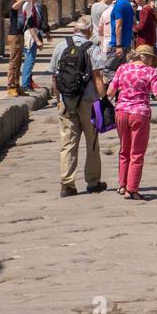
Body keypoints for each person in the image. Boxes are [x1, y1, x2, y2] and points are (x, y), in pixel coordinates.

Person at [49, 18, 109, 198]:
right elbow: (98, 78)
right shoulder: (92, 48)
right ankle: (92, 182)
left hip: (67, 101)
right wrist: (104, 100)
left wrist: (58, 99)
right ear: (89, 31)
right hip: (89, 101)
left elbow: (54, 76)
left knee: (68, 143)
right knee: (91, 142)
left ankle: (67, 184)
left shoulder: (61, 47)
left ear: (74, 29)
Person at [108, 44, 157, 201]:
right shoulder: (150, 72)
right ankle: (132, 189)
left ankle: (122, 185)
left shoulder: (122, 68)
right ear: (148, 58)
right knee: (136, 153)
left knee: (124, 150)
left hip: (121, 112)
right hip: (140, 114)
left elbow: (110, 92)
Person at [19, 0, 50, 92]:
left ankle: (28, 82)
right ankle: (25, 84)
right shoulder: (27, 6)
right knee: (29, 59)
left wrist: (46, 32)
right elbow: (29, 25)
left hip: (35, 33)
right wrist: (37, 40)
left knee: (31, 59)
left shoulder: (35, 5)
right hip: (30, 35)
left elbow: (40, 20)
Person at [105, 0, 135, 83]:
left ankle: (124, 84)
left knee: (107, 69)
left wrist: (118, 45)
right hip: (126, 42)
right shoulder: (127, 4)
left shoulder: (118, 5)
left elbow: (119, 26)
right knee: (120, 69)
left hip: (118, 44)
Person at [5, 0, 30, 97]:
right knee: (14, 61)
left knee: (19, 61)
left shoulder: (19, 3)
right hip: (14, 34)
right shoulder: (13, 2)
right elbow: (14, 7)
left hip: (20, 33)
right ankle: (11, 86)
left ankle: (16, 84)